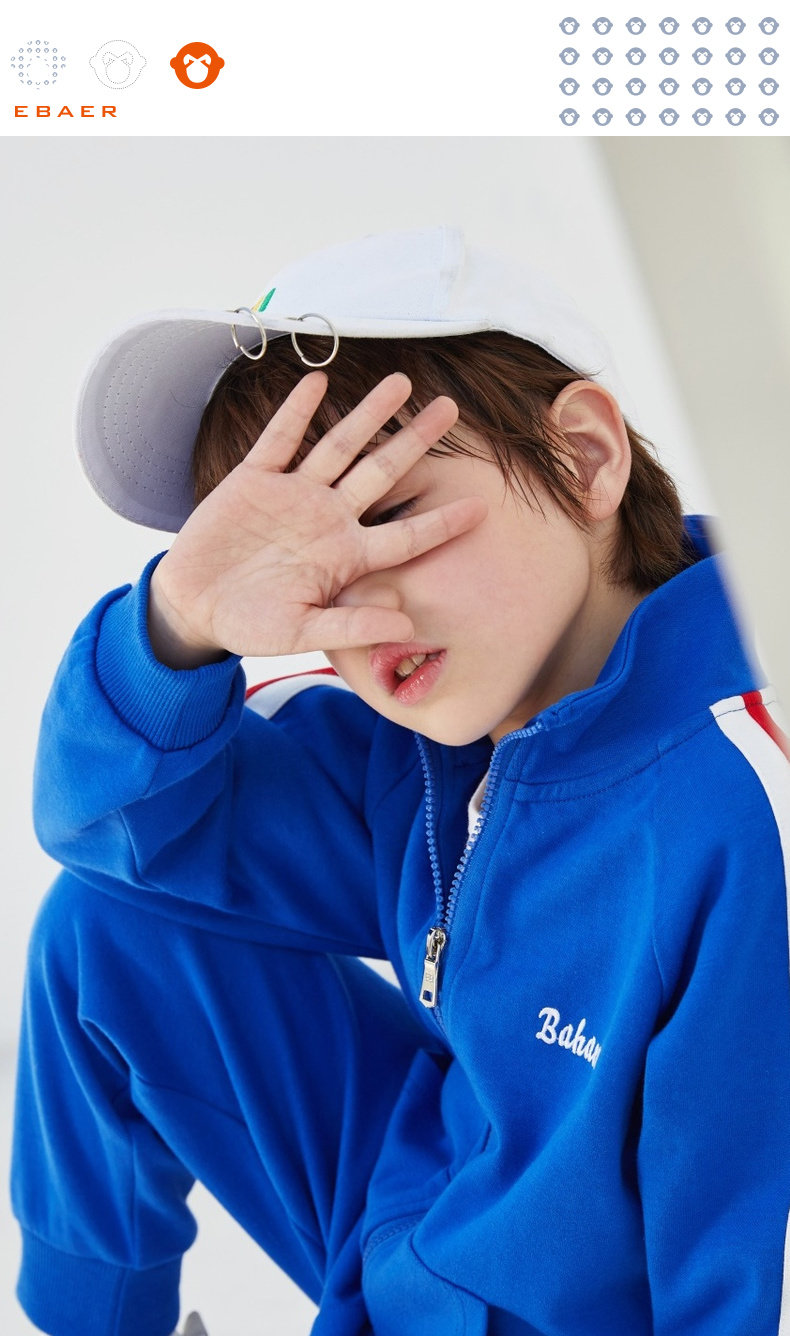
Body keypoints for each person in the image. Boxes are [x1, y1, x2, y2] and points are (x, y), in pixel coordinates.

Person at [12, 225, 790, 1336]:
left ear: (584, 460)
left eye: (384, 518)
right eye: (301, 563)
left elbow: (748, 1271)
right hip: (423, 1221)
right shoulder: (417, 748)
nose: (358, 608)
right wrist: (180, 620)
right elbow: (107, 831)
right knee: (105, 928)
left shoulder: (740, 808)